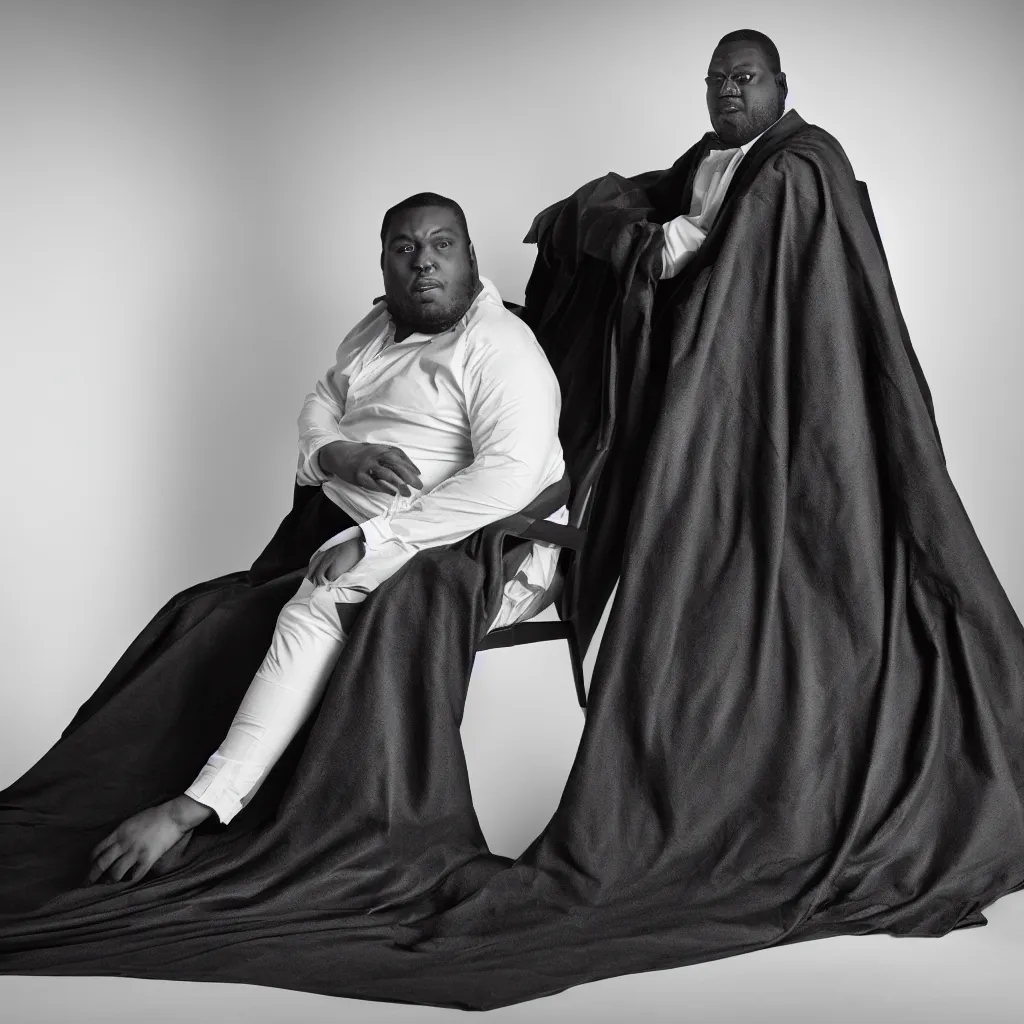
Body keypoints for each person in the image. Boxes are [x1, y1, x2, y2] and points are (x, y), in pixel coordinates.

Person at [84, 192, 565, 886]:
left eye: (441, 245)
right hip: (339, 513)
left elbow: (508, 482)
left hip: (473, 538)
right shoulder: (377, 325)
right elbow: (321, 402)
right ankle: (116, 785)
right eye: (404, 248)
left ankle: (192, 812)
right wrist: (333, 455)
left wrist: (377, 539)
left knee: (314, 604)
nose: (423, 262)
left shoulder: (501, 350)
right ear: (384, 260)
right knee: (203, 616)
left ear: (470, 256)